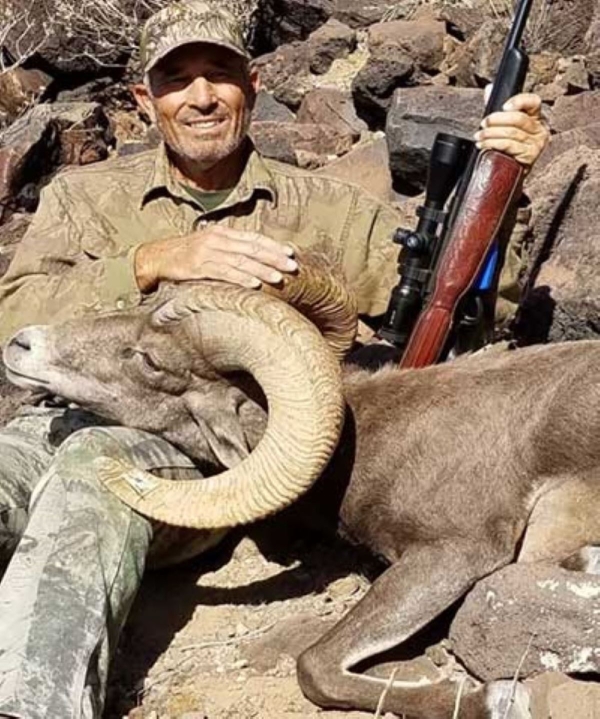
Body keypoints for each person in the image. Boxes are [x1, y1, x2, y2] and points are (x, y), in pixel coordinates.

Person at [0, 1, 549, 716]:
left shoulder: (329, 211)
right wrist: (150, 262)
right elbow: (14, 314)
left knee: (94, 473)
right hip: (51, 412)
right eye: (177, 79)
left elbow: (478, 307)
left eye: (220, 74)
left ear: (252, 85)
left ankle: (31, 701)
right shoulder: (83, 199)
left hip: (206, 449)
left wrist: (505, 188)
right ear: (145, 98)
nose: (201, 97)